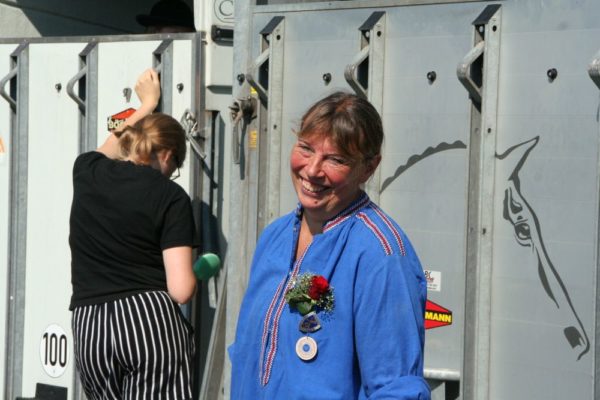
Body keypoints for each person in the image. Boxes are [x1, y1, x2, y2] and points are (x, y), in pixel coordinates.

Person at [229, 92, 430, 399]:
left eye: (335, 159)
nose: (312, 170)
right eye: (306, 148)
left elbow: (395, 388)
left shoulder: (381, 255)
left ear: (369, 167)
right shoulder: (274, 237)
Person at [69, 68, 198, 399]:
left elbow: (112, 144)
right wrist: (198, 271)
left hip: (89, 323)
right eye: (175, 167)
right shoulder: (171, 197)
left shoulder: (87, 171)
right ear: (167, 155)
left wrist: (146, 105)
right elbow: (181, 290)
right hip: (146, 319)